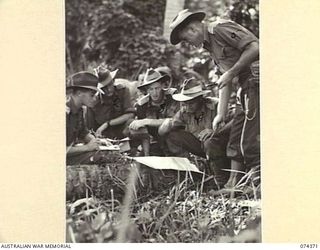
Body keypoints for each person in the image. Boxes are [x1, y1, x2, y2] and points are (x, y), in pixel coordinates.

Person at [169, 9, 260, 188]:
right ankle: (234, 185)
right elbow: (224, 82)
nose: (189, 45)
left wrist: (231, 72)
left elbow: (255, 47)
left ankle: (258, 186)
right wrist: (220, 114)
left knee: (249, 141)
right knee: (235, 139)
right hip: (245, 88)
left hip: (257, 81)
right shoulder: (210, 47)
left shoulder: (219, 29)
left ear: (193, 30)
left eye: (186, 40)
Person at [159, 78, 232, 189]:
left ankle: (221, 182)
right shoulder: (184, 112)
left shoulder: (216, 105)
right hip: (202, 147)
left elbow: (237, 120)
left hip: (223, 147)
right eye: (184, 104)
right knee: (172, 135)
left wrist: (215, 131)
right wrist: (166, 124)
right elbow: (164, 131)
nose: (187, 107)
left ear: (200, 99)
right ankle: (186, 173)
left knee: (209, 142)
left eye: (191, 103)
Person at [129, 68, 179, 156]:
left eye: (157, 88)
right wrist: (146, 154)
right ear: (146, 90)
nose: (154, 93)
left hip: (174, 139)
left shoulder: (173, 96)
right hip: (155, 142)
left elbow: (176, 121)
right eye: (151, 89)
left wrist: (147, 121)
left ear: (162, 86)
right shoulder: (142, 105)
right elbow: (144, 133)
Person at [66, 71, 110, 165]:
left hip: (69, 154)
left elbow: (83, 133)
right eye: (92, 95)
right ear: (79, 93)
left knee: (107, 154)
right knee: (100, 157)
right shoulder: (63, 113)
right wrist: (87, 148)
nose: (94, 99)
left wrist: (95, 141)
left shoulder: (79, 110)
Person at [85, 65, 135, 139]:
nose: (109, 90)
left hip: (123, 130)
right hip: (104, 135)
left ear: (114, 81)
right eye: (104, 88)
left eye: (110, 84)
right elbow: (90, 129)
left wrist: (108, 123)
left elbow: (130, 114)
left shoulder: (123, 91)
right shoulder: (93, 102)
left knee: (133, 124)